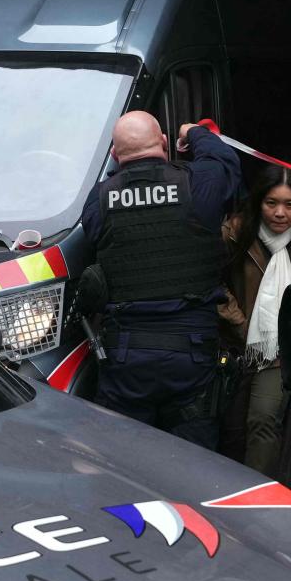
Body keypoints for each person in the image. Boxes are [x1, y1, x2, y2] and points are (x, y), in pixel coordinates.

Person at [77, 111, 240, 448]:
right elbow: (225, 161)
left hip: (126, 354)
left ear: (115, 155)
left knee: (126, 463)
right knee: (193, 463)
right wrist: (193, 132)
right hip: (191, 351)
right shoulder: (198, 183)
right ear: (164, 143)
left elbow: (99, 235)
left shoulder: (99, 197)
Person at [219, 166, 291, 475]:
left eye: (290, 205)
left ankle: (255, 509)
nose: (280, 213)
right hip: (236, 347)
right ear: (258, 201)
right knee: (231, 430)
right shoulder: (235, 232)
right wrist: (240, 324)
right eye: (271, 203)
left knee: (262, 421)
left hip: (281, 352)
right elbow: (213, 284)